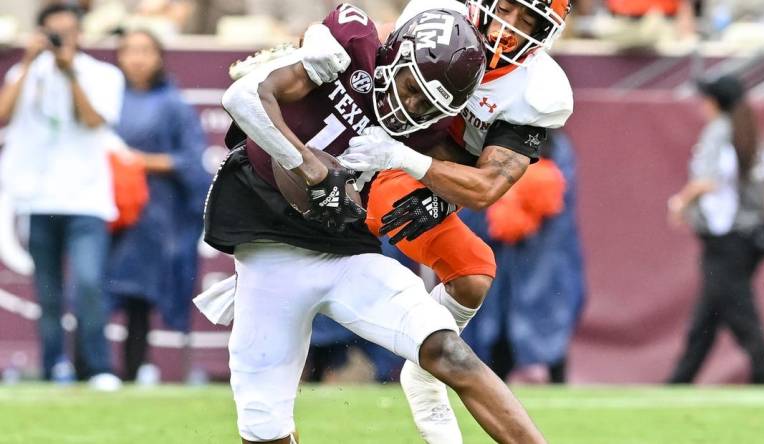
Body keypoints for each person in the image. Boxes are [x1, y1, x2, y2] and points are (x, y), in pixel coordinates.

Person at [202, 5, 547, 443]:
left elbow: (473, 183)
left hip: (346, 251)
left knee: (448, 349)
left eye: (430, 105)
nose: (412, 107)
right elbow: (242, 98)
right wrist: (308, 165)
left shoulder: (425, 134)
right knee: (264, 429)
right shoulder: (351, 47)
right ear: (396, 59)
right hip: (270, 248)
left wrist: (422, 177)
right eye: (411, 88)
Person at [336, 1, 572, 441]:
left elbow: (485, 188)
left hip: (414, 168)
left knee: (473, 273)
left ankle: (425, 366)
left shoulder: (537, 89)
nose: (509, 27)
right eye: (506, 9)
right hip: (363, 150)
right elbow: (362, 67)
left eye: (529, 22)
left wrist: (408, 163)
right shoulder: (437, 15)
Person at [0, 4, 124, 389]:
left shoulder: (103, 74)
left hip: (86, 198)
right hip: (38, 198)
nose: (61, 40)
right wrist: (27, 64)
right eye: (54, 32)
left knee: (87, 283)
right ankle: (55, 365)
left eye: (68, 32)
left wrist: (69, 72)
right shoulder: (23, 72)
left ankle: (98, 367)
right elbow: (3, 116)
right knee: (48, 291)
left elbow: (92, 119)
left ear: (81, 35)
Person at [666, 75, 764, 385]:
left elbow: (706, 180)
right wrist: (760, 219)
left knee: (741, 313)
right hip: (749, 235)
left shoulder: (719, 131)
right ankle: (679, 381)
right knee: (709, 313)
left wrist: (680, 204)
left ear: (714, 102)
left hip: (725, 238)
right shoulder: (750, 131)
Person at [108, 29, 210, 381]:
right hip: (103, 210)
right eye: (129, 50)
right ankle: (88, 370)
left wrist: (137, 162)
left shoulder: (174, 105)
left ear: (159, 57)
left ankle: (132, 371)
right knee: (90, 289)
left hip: (153, 214)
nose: (136, 58)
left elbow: (191, 161)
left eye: (145, 51)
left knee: (140, 296)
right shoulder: (103, 99)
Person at [461, 130, 585, 384]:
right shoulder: (487, 141)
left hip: (540, 257)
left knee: (546, 316)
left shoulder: (557, 152)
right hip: (497, 255)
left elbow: (555, 208)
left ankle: (551, 376)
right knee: (495, 326)